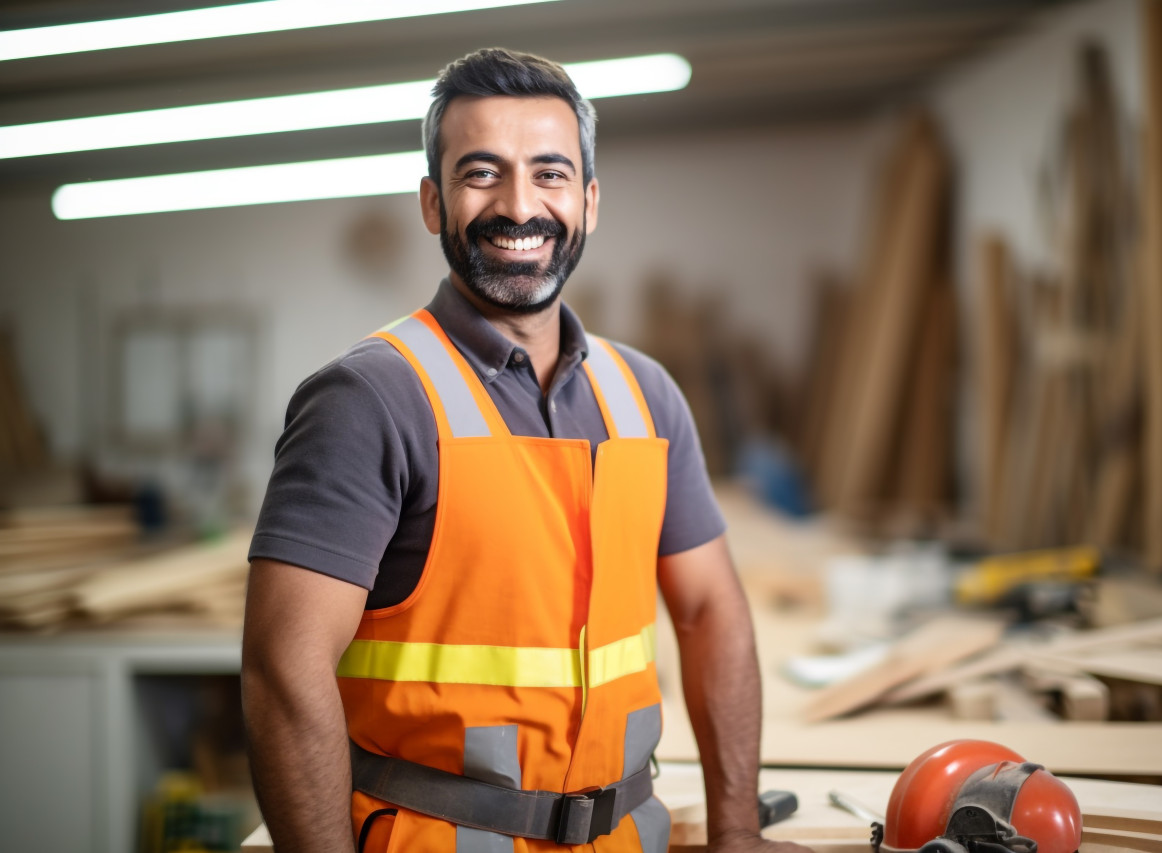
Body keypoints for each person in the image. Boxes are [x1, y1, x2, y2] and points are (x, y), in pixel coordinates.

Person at [241, 47, 810, 853]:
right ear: (433, 202)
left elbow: (710, 609)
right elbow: (282, 670)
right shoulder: (368, 400)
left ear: (589, 200)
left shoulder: (644, 395)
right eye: (482, 173)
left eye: (550, 173)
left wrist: (738, 828)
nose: (519, 205)